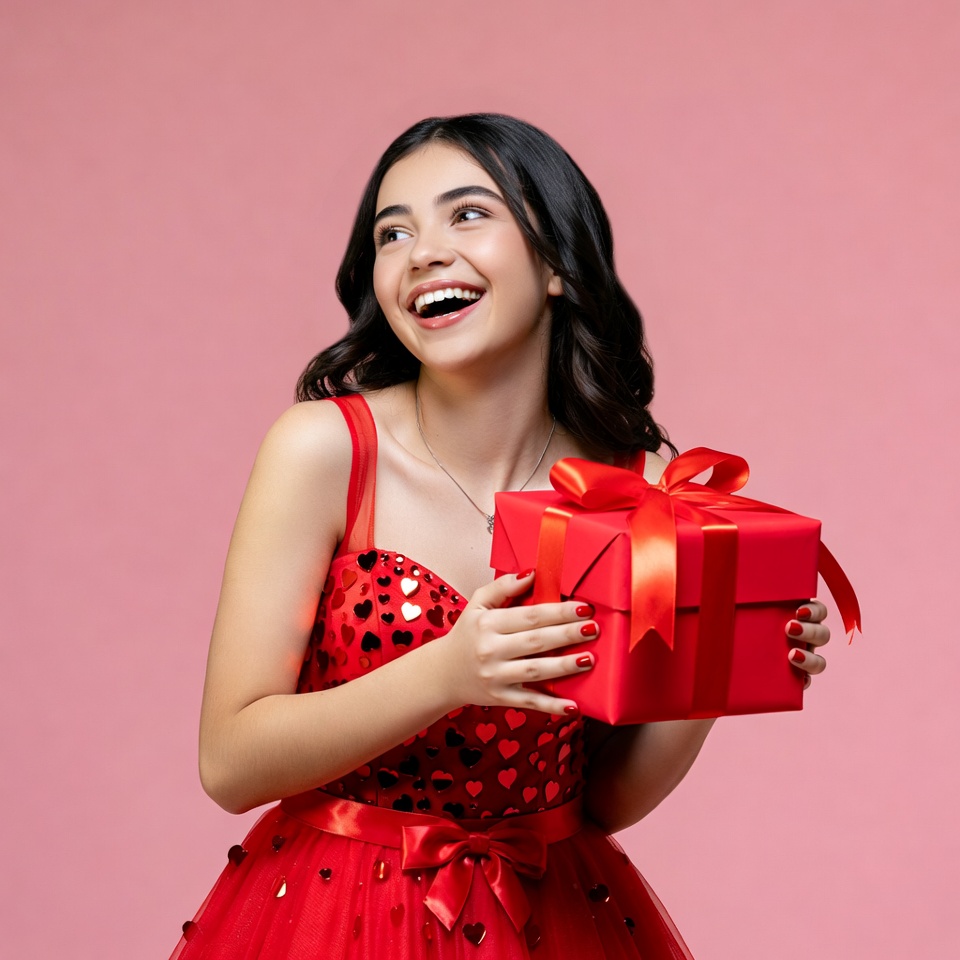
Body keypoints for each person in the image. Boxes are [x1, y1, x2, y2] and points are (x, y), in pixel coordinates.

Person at [169, 114, 830, 959]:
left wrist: (718, 662)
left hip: (550, 916)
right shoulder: (325, 449)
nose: (423, 251)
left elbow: (601, 801)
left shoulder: (630, 485)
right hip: (333, 921)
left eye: (467, 214)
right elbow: (229, 762)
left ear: (556, 262)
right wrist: (448, 672)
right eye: (392, 231)